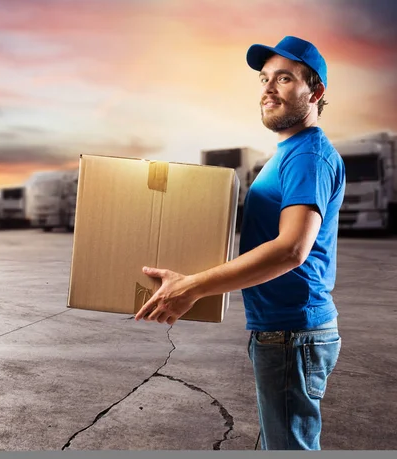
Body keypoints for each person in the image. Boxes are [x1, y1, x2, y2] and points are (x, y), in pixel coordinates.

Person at [134, 36, 346, 450]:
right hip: (281, 329)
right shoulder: (289, 152)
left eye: (284, 78)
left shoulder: (308, 156)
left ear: (315, 92)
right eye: (265, 79)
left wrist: (192, 287)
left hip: (293, 330)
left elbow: (291, 249)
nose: (268, 88)